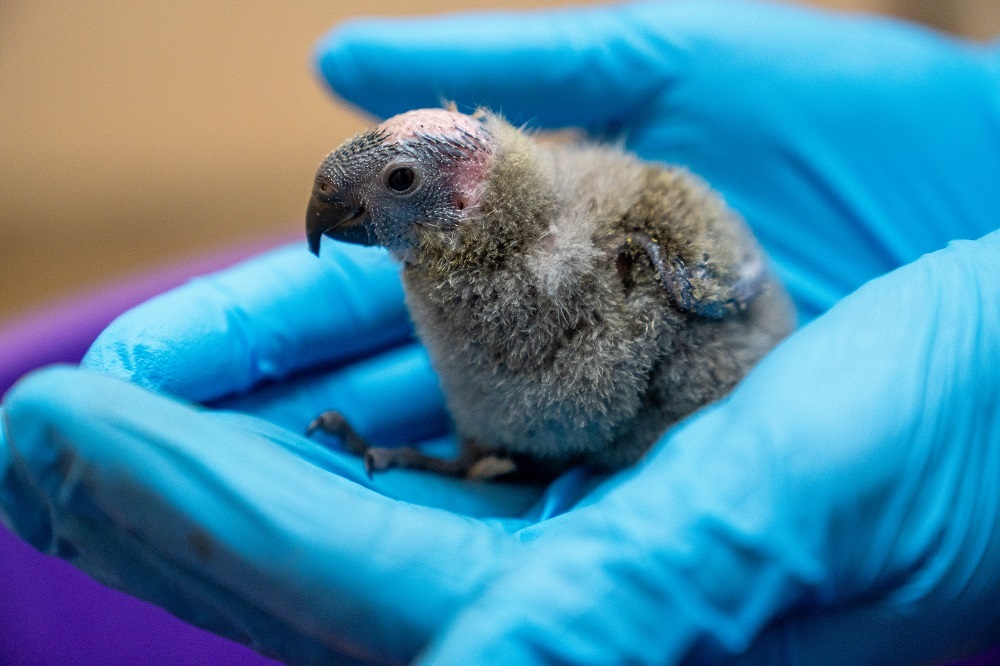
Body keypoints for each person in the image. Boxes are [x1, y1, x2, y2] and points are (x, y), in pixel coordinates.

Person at [3, 0, 999, 663]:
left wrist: (710, 283)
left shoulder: (636, 216)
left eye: (395, 187)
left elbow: (715, 286)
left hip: (712, 388)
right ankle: (487, 463)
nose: (346, 214)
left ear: (473, 190)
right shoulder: (446, 280)